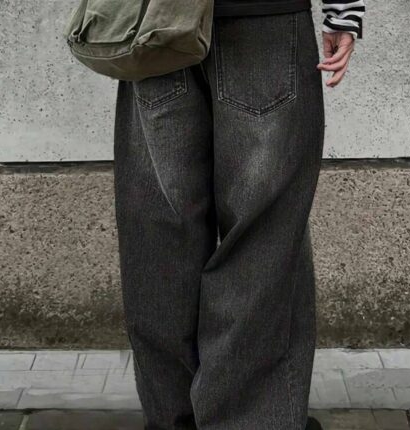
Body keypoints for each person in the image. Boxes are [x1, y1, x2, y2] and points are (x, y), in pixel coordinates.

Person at [113, 0, 365, 428]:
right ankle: (253, 420)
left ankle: (174, 417)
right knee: (262, 236)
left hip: (156, 23)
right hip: (262, 21)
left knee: (162, 235)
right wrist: (344, 14)